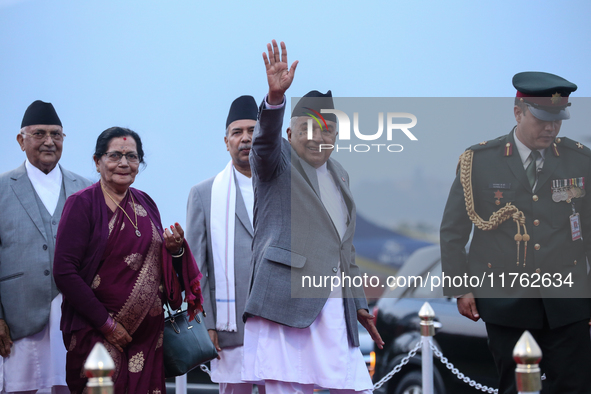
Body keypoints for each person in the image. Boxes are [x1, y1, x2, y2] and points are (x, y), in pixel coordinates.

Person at [241, 40, 383, 394]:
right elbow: (263, 144)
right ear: (291, 133)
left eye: (327, 130)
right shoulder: (277, 162)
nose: (318, 137)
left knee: (355, 389)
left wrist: (360, 306)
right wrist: (274, 100)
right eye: (309, 128)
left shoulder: (341, 177)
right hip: (285, 303)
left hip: (335, 308)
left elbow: (344, 250)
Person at [440, 71, 591, 394]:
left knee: (575, 386)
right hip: (506, 301)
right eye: (542, 119)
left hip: (568, 301)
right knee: (515, 388)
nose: (551, 128)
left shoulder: (579, 161)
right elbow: (453, 230)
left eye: (557, 119)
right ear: (518, 113)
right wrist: (461, 287)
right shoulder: (480, 161)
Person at [53, 127, 203, 394]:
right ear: (97, 161)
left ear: (139, 163)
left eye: (132, 157)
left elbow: (164, 266)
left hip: (147, 340)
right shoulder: (82, 204)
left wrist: (176, 250)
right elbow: (64, 272)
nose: (123, 163)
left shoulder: (146, 203)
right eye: (115, 155)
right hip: (97, 334)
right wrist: (107, 325)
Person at [0, 100, 92, 394]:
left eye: (56, 134)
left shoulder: (86, 189)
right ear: (21, 139)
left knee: (71, 386)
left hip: (76, 317)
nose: (49, 142)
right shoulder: (2, 189)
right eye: (39, 134)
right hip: (19, 318)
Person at [186, 95, 265, 394]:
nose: (245, 138)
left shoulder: (284, 187)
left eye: (253, 130)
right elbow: (196, 270)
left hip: (278, 324)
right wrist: (206, 322)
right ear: (226, 140)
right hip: (230, 325)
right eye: (237, 132)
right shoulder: (204, 194)